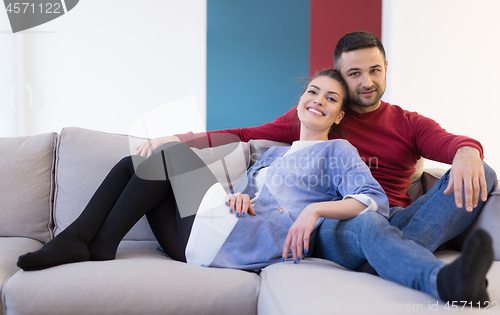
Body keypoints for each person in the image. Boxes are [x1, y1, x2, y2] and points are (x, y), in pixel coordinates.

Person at [18, 69, 494, 304]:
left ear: (338, 115)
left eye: (330, 98)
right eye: (312, 92)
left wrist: (316, 212)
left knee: (167, 158)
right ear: (300, 101)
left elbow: (371, 202)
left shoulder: (337, 153)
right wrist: (238, 192)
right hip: (203, 231)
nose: (318, 101)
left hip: (230, 242)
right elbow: (243, 177)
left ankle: (86, 240)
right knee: (133, 162)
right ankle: (93, 242)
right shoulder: (275, 154)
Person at [136, 31, 497, 271]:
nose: (367, 82)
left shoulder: (409, 123)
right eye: (354, 74)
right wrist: (180, 140)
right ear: (340, 75)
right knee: (363, 225)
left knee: (486, 172)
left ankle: (390, 253)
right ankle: (389, 255)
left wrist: (467, 151)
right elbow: (243, 133)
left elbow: (451, 143)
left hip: (396, 218)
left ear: (386, 69)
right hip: (337, 224)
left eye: (374, 70)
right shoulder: (319, 118)